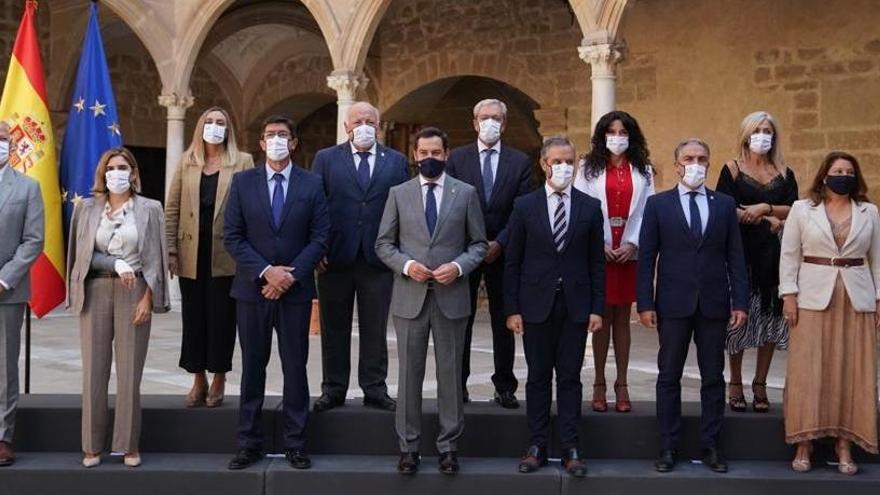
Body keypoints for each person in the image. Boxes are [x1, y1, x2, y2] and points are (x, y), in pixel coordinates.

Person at [375, 127, 487, 475]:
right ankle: (408, 447)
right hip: (410, 297)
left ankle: (449, 446)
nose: (429, 159)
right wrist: (407, 266)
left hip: (451, 296)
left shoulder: (465, 193)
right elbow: (383, 244)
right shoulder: (399, 193)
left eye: (435, 153)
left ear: (446, 154)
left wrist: (457, 267)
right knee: (408, 376)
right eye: (423, 153)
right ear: (414, 155)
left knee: (450, 376)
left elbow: (479, 245)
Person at [224, 115, 329, 471]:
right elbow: (233, 236)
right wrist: (268, 272)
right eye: (270, 135)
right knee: (253, 367)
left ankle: (295, 443)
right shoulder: (242, 183)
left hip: (295, 292)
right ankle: (248, 442)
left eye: (283, 134)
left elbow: (320, 236)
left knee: (295, 368)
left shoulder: (312, 184)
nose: (277, 140)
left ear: (294, 143)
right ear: (261, 143)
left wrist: (291, 275)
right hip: (252, 291)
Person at [637, 138, 748, 474]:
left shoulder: (725, 204)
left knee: (713, 377)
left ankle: (710, 445)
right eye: (688, 158)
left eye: (701, 158)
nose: (695, 163)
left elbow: (735, 258)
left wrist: (739, 301)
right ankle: (668, 446)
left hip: (714, 304)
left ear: (709, 164)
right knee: (668, 376)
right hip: (672, 303)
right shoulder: (658, 205)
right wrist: (645, 302)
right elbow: (646, 258)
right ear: (677, 165)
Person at [505, 136, 605, 478]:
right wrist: (512, 309)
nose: (564, 167)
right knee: (536, 378)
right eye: (558, 161)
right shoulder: (525, 206)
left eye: (570, 161)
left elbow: (596, 264)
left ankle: (570, 446)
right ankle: (537, 445)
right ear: (544, 164)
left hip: (575, 306)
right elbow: (513, 263)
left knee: (570, 378)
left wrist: (597, 307)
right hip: (535, 305)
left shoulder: (590, 207)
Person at [66, 147, 170, 468]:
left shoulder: (150, 208)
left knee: (129, 373)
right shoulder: (86, 209)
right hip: (96, 288)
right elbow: (80, 255)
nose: (116, 173)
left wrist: (147, 297)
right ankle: (92, 445)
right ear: (102, 173)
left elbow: (157, 257)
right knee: (94, 372)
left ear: (133, 172)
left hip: (134, 290)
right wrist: (114, 261)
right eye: (110, 168)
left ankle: (128, 444)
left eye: (123, 167)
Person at [780, 151, 879, 475]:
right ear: (824, 175)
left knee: (852, 371)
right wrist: (789, 295)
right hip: (811, 296)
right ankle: (804, 442)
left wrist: (879, 299)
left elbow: (877, 259)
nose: (843, 175)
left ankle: (845, 444)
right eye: (837, 170)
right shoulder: (802, 209)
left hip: (856, 298)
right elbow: (790, 255)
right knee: (809, 371)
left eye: (849, 171)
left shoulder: (870, 212)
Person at [312, 102, 409, 413]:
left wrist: (397, 252)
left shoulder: (396, 161)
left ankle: (375, 388)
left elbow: (402, 210)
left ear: (378, 126)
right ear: (346, 126)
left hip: (377, 259)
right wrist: (318, 249)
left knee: (375, 327)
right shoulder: (326, 159)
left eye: (370, 120)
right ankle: (333, 389)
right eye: (358, 120)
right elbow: (316, 205)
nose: (364, 125)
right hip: (334, 258)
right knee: (334, 327)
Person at [165, 106, 254, 408]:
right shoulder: (187, 161)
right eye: (210, 122)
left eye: (221, 123)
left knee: (222, 318)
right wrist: (171, 249)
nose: (215, 126)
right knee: (193, 316)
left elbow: (249, 210)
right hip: (191, 251)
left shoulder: (242, 162)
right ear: (200, 126)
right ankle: (197, 376)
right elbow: (173, 207)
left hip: (226, 255)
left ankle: (219, 376)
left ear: (228, 130)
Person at [446, 99, 533, 407]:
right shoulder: (456, 159)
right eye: (484, 117)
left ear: (504, 124)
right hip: (465, 252)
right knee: (461, 320)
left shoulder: (519, 161)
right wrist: (474, 245)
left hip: (504, 251)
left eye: (496, 118)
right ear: (474, 122)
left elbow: (521, 209)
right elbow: (451, 206)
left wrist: (501, 243)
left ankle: (505, 386)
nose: (490, 122)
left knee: (504, 319)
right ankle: (459, 385)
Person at [716, 111, 797, 413]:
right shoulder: (732, 169)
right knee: (739, 318)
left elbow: (793, 208)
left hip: (774, 255)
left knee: (771, 320)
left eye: (768, 130)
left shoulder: (784, 172)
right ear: (746, 134)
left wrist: (765, 207)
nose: (762, 135)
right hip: (740, 251)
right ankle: (735, 381)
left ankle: (760, 382)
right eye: (757, 130)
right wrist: (765, 219)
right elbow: (725, 206)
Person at [574, 110, 654, 413]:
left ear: (631, 136)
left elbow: (649, 209)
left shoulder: (643, 170)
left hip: (629, 250)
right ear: (602, 136)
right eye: (612, 132)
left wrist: (634, 243)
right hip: (600, 250)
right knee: (601, 316)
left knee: (622, 317)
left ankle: (622, 383)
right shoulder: (588, 168)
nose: (617, 138)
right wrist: (600, 243)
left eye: (623, 133)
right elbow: (582, 206)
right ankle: (598, 383)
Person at [0, 121, 44, 467]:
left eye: (1, 139)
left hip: (7, 292)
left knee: (4, 368)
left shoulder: (28, 188)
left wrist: (4, 279)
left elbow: (33, 240)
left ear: (12, 145)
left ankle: (3, 435)